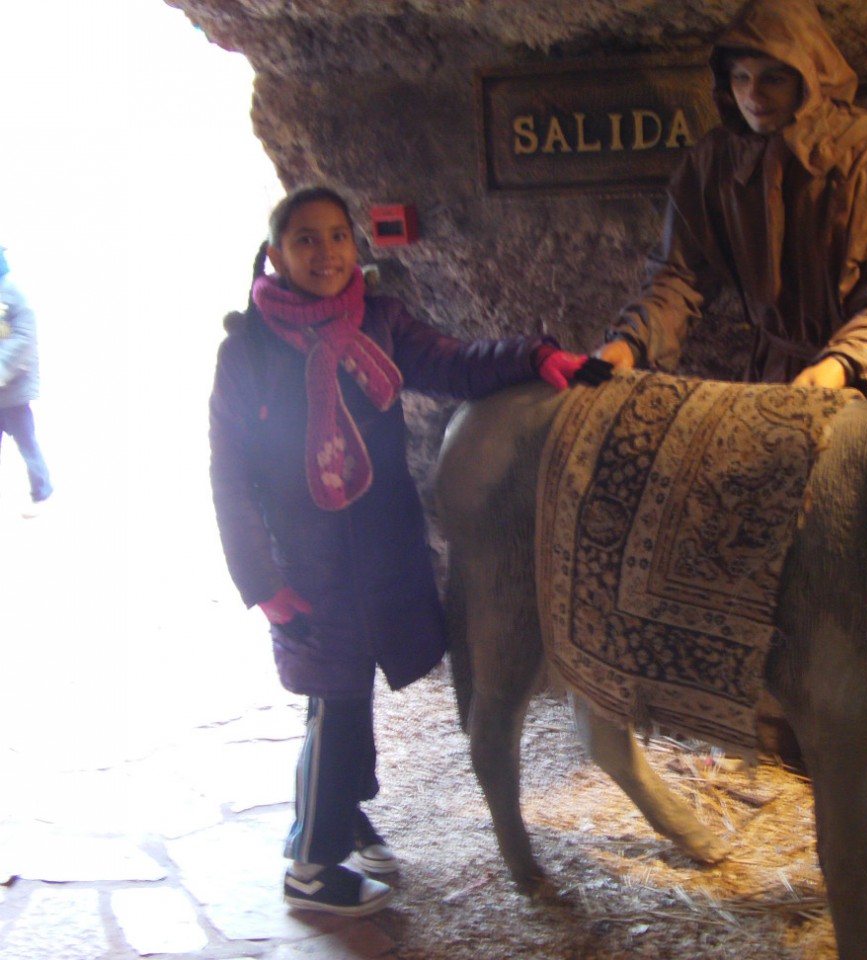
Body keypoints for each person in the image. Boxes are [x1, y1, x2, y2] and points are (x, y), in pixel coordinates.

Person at [209, 185, 609, 917]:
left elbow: (455, 363)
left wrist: (535, 356)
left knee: (348, 695)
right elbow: (229, 475)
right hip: (307, 562)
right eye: (305, 239)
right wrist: (260, 581)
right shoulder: (248, 351)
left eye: (337, 236)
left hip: (381, 550)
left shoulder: (379, 321)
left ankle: (345, 814)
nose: (325, 252)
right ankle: (311, 866)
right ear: (276, 255)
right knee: (334, 700)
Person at [596, 0, 867, 769]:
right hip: (781, 383)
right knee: (782, 560)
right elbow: (679, 277)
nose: (755, 95)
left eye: (774, 79)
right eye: (741, 78)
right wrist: (629, 343)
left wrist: (840, 364)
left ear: (813, 78)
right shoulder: (714, 167)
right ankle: (794, 711)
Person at [0, 245, 53, 519]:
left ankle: (42, 494)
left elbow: (24, 338)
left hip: (14, 392)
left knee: (27, 444)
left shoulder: (13, 295)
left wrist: (2, 366)